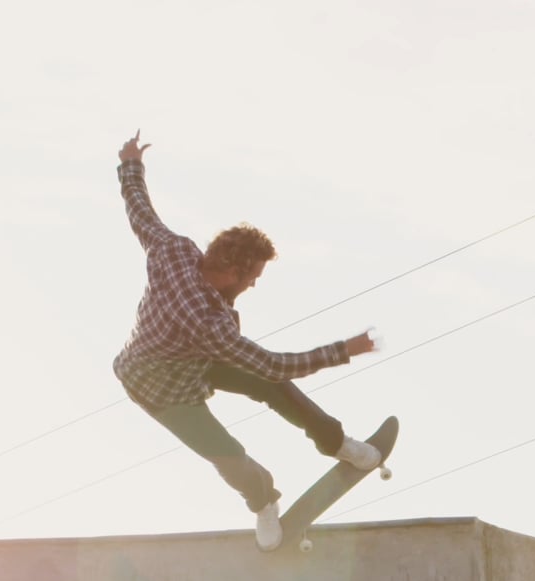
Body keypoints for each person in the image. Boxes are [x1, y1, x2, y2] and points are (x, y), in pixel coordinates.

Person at [110, 130, 382, 551]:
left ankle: (337, 443)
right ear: (232, 270)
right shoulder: (208, 323)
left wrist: (131, 165)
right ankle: (264, 502)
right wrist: (343, 351)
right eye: (253, 277)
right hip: (160, 392)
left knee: (269, 389)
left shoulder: (174, 250)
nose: (253, 286)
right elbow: (274, 366)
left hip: (192, 360)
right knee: (228, 454)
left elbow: (141, 214)